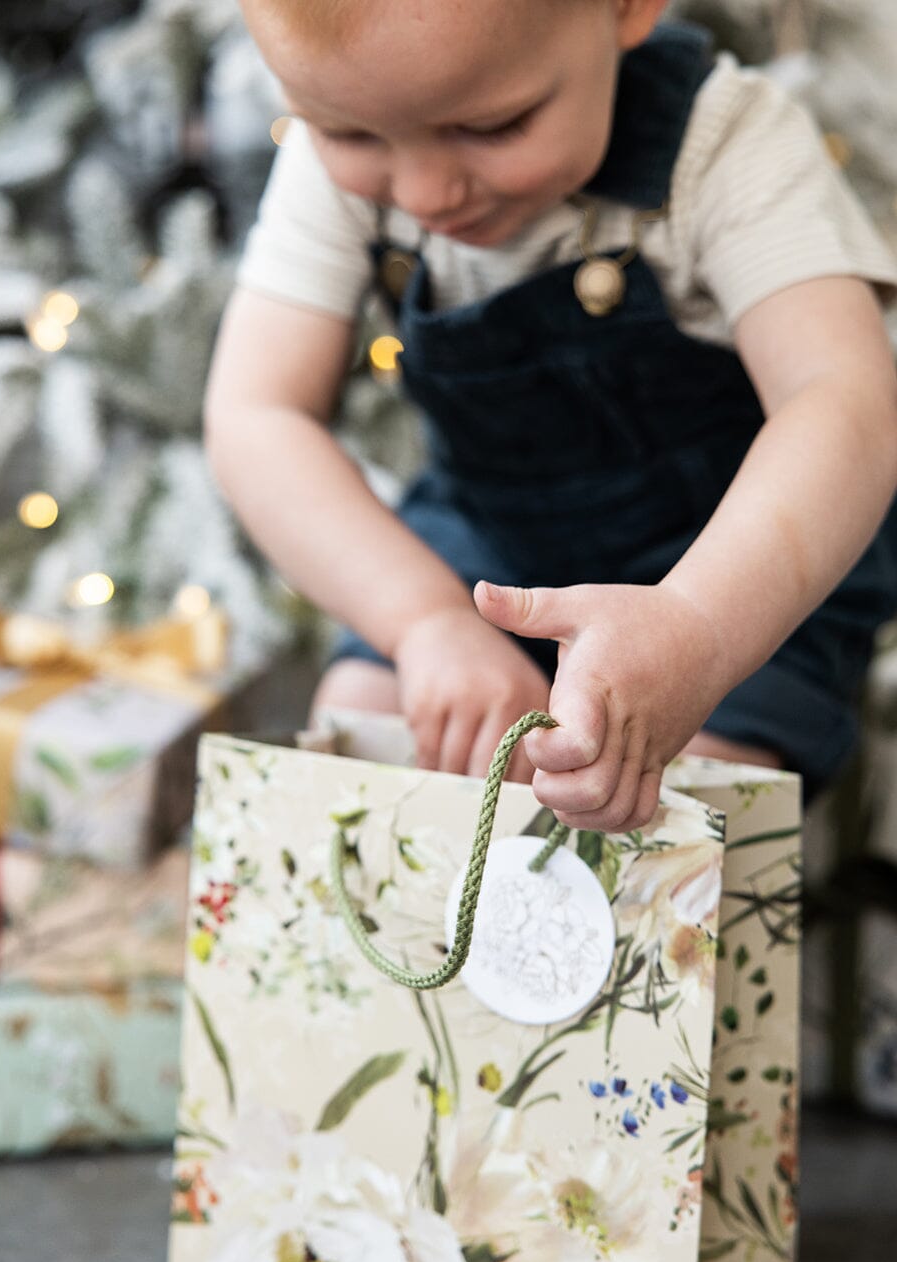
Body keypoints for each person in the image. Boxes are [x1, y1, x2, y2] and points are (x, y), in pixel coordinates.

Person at [204, 0, 897, 831]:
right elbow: (256, 412)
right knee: (365, 744)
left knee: (677, 816)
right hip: (483, 544)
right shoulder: (340, 154)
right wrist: (423, 620)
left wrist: (697, 629)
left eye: (492, 125)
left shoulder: (725, 147)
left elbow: (843, 400)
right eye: (349, 136)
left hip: (732, 559)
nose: (424, 191)